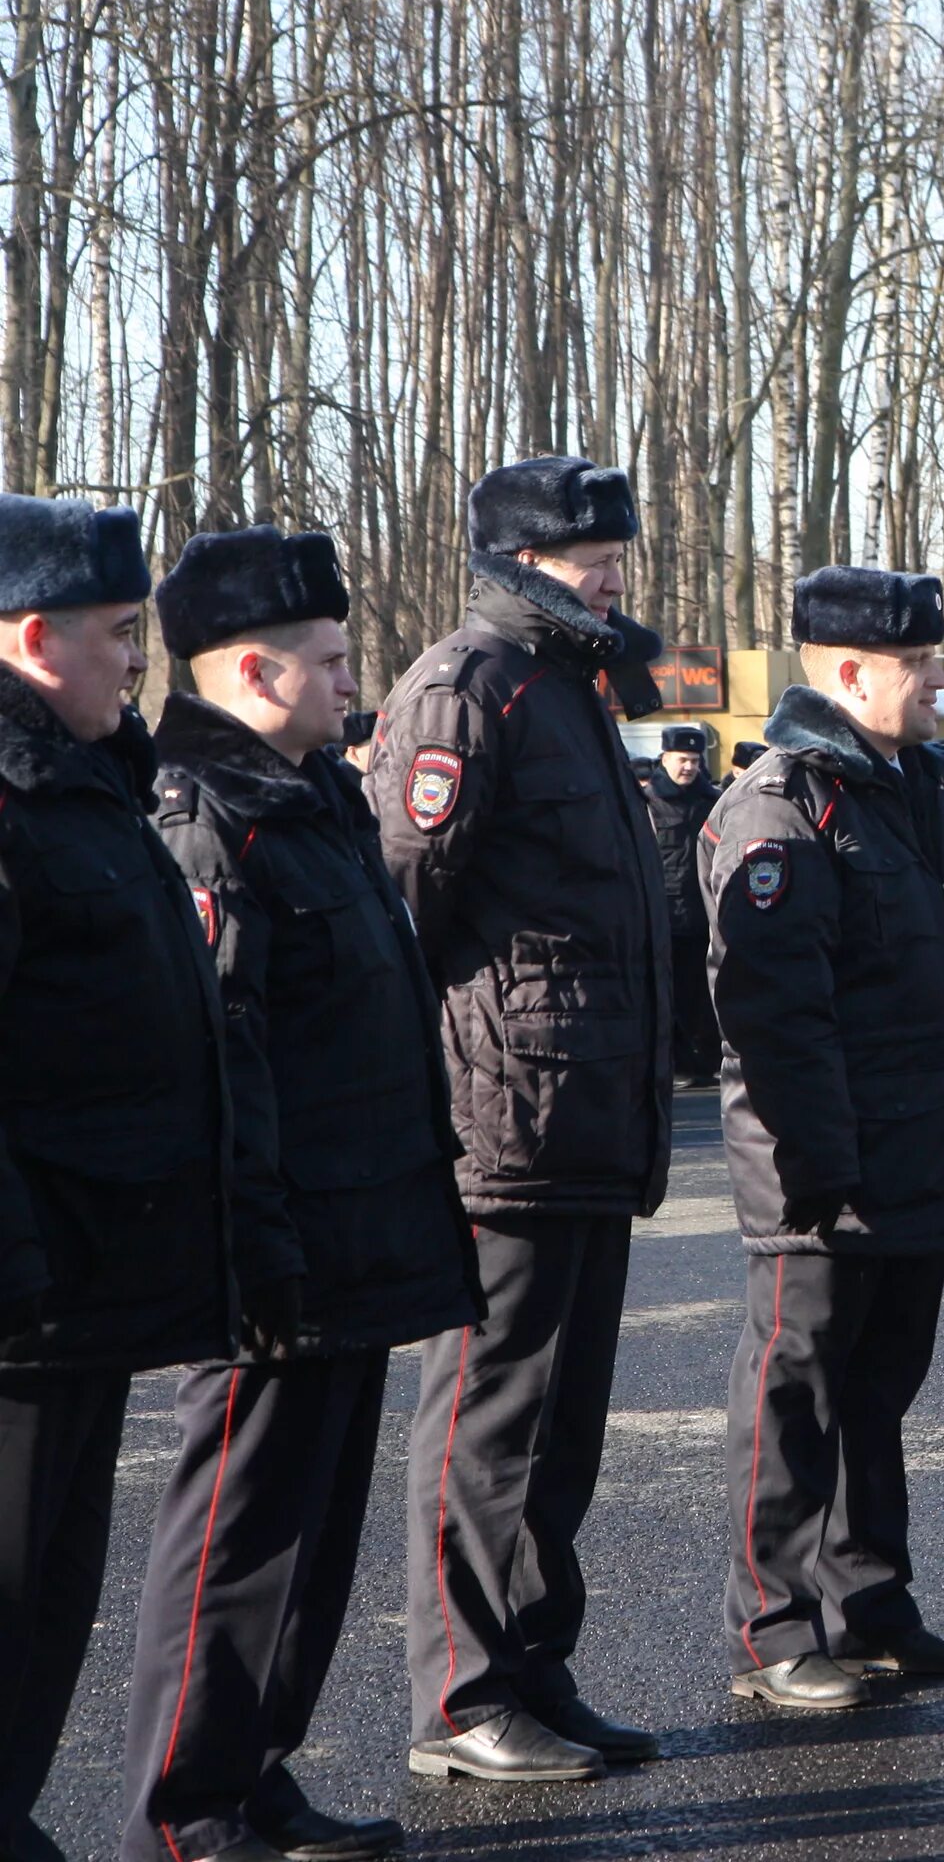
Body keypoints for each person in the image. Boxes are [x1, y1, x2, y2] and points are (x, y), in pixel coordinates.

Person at [120, 527, 480, 1862]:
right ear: (256, 669)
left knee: (310, 1546)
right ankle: (182, 1811)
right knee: (233, 1544)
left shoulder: (312, 795)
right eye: (330, 661)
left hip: (358, 1234)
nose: (352, 680)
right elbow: (227, 1063)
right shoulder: (204, 819)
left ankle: (256, 1772)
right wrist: (257, 1251)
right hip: (280, 1253)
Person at [373, 455, 673, 1783]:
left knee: (562, 1421)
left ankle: (534, 1671)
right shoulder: (469, 688)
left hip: (589, 1117)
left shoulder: (572, 691)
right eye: (582, 555)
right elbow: (403, 913)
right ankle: (462, 1697)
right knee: (487, 1421)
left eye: (613, 548)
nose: (609, 571)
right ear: (517, 562)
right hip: (503, 1119)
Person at [707, 567, 944, 1709]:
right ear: (847, 674)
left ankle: (869, 1600)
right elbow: (775, 1011)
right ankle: (775, 1626)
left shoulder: (915, 788)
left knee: (879, 1391)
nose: (941, 683)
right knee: (794, 1401)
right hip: (825, 1172)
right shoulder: (783, 803)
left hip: (915, 1157)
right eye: (920, 666)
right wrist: (813, 1162)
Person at [0, 497, 250, 1862]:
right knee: (11, 1585)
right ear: (36, 640)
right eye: (117, 638)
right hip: (25, 1305)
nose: (137, 665)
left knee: (51, 1595)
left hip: (89, 1282)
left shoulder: (88, 777)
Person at [645, 722, 722, 1085]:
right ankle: (677, 1064)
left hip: (703, 915)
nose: (688, 767)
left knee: (704, 995)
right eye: (681, 759)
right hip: (663, 917)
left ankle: (705, 1061)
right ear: (665, 758)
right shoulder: (648, 803)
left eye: (694, 760)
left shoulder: (712, 801)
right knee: (666, 997)